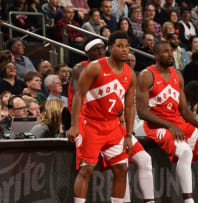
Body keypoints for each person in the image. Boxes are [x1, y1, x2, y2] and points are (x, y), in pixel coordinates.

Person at [136, 41, 198, 203]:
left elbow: (184, 110)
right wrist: (169, 125)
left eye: (171, 51)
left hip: (177, 123)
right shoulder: (147, 75)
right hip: (155, 125)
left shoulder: (177, 75)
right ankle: (188, 200)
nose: (170, 54)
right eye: (165, 52)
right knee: (185, 151)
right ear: (156, 55)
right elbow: (142, 111)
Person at [67, 31, 139, 203]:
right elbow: (78, 95)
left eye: (127, 47)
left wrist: (128, 135)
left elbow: (129, 106)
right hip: (90, 123)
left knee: (122, 169)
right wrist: (74, 125)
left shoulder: (130, 73)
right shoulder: (95, 67)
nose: (124, 50)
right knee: (87, 170)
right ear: (110, 48)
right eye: (119, 46)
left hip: (113, 125)